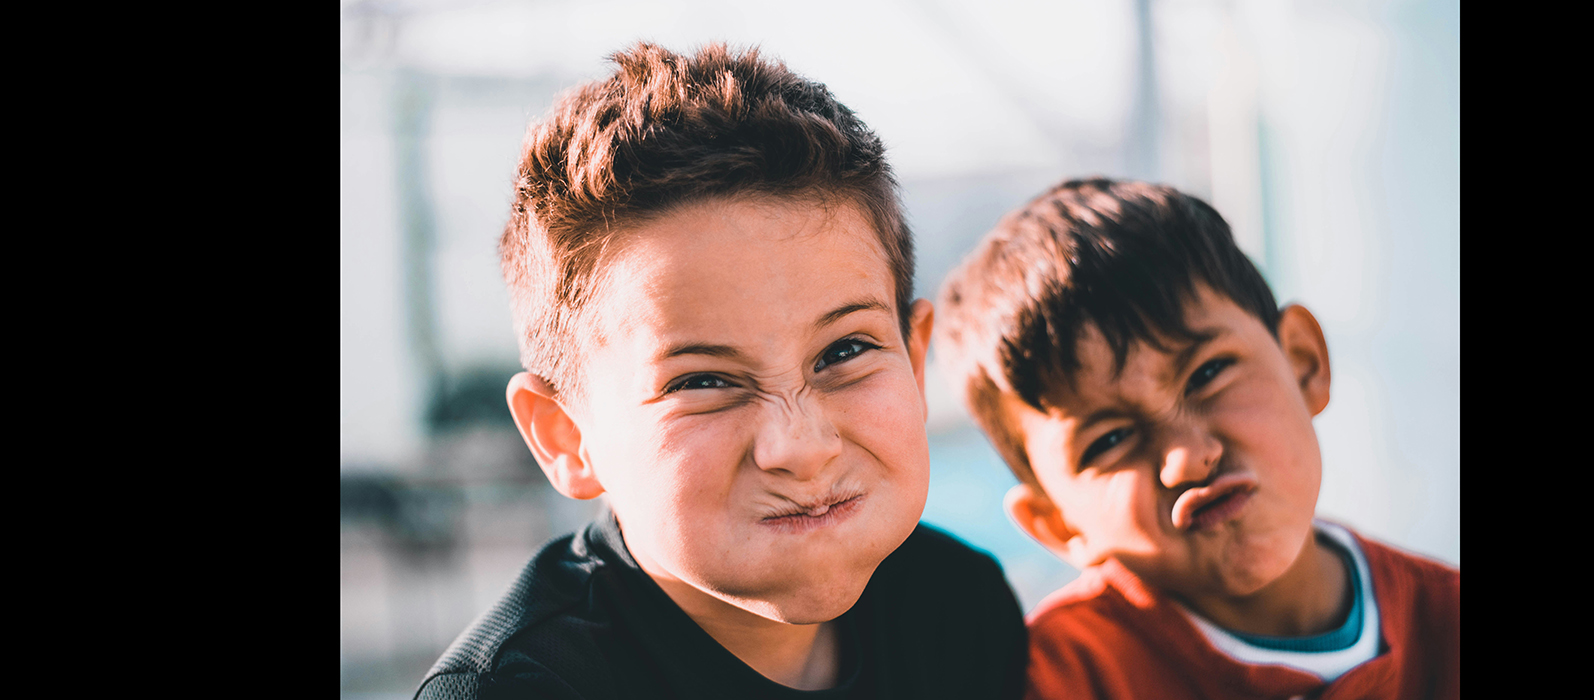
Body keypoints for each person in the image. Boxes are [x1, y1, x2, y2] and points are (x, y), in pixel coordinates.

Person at [414, 42, 1026, 700]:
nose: (801, 448)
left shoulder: (960, 610)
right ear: (565, 436)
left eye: (843, 352)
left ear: (914, 358)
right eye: (703, 382)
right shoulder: (517, 690)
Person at [933, 178, 1459, 700]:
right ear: (1056, 524)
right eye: (1110, 439)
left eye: (1207, 375)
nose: (1186, 460)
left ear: (1304, 363)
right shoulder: (1055, 681)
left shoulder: (1444, 622)